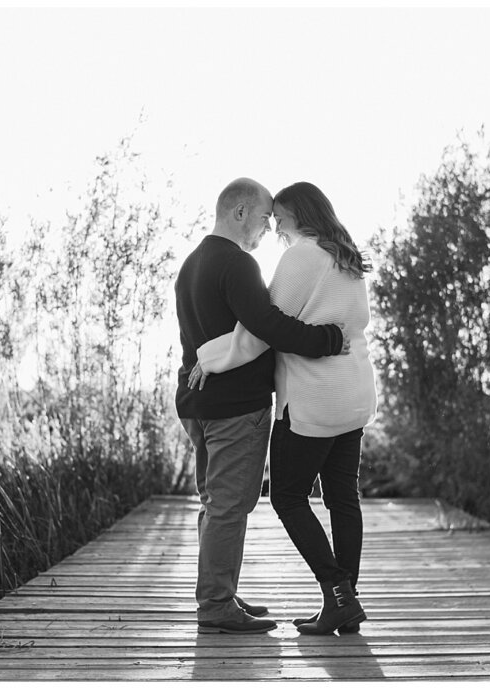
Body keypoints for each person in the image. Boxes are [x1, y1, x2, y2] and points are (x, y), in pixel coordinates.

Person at [189, 181, 376, 635]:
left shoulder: (302, 257)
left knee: (288, 498)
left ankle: (336, 591)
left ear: (299, 214)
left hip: (313, 400)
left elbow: (260, 330)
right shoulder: (346, 256)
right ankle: (344, 603)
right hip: (353, 395)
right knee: (343, 499)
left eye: (279, 216)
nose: (274, 225)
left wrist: (207, 357)